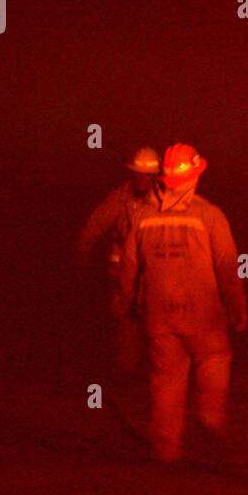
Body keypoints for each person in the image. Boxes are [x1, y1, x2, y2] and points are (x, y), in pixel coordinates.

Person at [118, 143, 248, 464]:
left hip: (159, 317)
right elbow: (228, 267)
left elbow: (129, 269)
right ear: (195, 176)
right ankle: (210, 419)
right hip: (203, 315)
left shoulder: (143, 218)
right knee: (216, 359)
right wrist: (237, 306)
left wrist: (127, 305)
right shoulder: (210, 216)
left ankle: (166, 451)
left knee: (166, 380)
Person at [77, 147, 161, 374]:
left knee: (158, 318)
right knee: (126, 315)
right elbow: (96, 224)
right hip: (123, 265)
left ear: (155, 176)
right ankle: (127, 369)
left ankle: (156, 368)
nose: (142, 179)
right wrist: (83, 252)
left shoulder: (165, 201)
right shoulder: (120, 198)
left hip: (154, 267)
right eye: (138, 174)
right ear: (132, 173)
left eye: (147, 175)